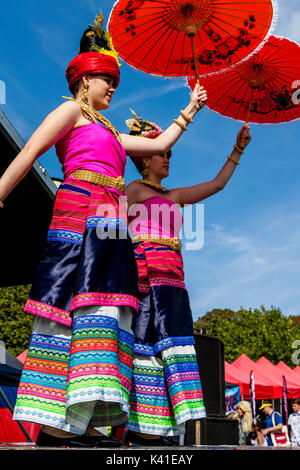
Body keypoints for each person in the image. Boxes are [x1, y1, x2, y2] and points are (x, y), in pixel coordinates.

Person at [0, 13, 206, 447]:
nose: (112, 88)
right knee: (66, 313)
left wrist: (189, 108)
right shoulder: (70, 111)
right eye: (106, 80)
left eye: (114, 81)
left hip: (112, 233)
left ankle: (84, 421)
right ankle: (54, 425)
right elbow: (30, 150)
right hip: (77, 222)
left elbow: (158, 143)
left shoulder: (110, 131)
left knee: (107, 316)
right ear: (85, 78)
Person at [124, 111, 251, 445]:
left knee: (174, 353)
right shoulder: (133, 190)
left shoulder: (175, 196)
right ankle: (140, 429)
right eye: (163, 153)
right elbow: (108, 228)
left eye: (170, 154)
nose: (168, 159)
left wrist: (237, 150)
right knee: (145, 349)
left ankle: (165, 429)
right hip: (145, 283)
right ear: (144, 158)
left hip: (174, 287)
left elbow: (217, 184)